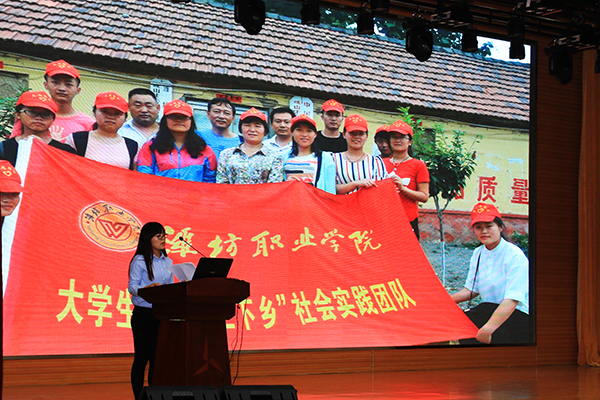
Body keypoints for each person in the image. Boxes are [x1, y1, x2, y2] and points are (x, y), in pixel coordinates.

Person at [451, 203, 529, 344]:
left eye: (489, 226)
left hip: (515, 315)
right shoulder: (478, 253)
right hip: (489, 309)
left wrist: (488, 329)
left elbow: (512, 299)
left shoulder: (514, 255)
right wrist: (444, 301)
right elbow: (471, 290)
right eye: (479, 227)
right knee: (463, 325)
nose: (484, 231)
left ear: (500, 227)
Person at [128, 222, 174, 400]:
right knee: (142, 358)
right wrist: (147, 289)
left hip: (161, 315)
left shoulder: (168, 261)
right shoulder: (139, 261)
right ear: (148, 239)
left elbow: (169, 287)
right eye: (158, 236)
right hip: (144, 315)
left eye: (164, 236)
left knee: (157, 358)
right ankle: (138, 396)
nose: (163, 240)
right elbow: (132, 287)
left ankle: (154, 395)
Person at [11, 60, 95, 141]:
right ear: (46, 85)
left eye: (68, 84)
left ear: (78, 90)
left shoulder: (88, 123)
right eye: (55, 82)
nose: (62, 88)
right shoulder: (30, 118)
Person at [137, 99, 217, 182]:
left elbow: (210, 180)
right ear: (165, 120)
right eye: (174, 117)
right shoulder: (151, 147)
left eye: (184, 117)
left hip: (195, 191)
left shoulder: (204, 149)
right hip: (160, 190)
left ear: (191, 121)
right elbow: (145, 177)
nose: (179, 120)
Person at [65, 92, 138, 170]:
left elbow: (135, 174)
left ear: (125, 118)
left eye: (117, 113)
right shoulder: (76, 139)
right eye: (105, 111)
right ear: (94, 113)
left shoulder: (132, 146)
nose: (110, 117)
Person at [0, 91, 76, 166]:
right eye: (32, 112)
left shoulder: (65, 151)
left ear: (53, 119)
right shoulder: (4, 149)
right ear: (18, 115)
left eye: (45, 114)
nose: (38, 118)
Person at [382, 120, 430, 239]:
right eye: (394, 137)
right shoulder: (381, 163)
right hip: (383, 220)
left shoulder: (418, 165)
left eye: (402, 137)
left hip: (407, 220)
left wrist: (402, 188)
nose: (397, 140)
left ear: (410, 142)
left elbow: (424, 196)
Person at [217, 107, 284, 184]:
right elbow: (221, 184)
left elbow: (275, 186)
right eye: (247, 125)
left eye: (257, 126)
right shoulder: (226, 155)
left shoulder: (274, 157)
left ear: (265, 131)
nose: (252, 130)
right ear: (240, 129)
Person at [333, 114, 386, 194]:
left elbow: (381, 189)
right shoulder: (333, 159)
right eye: (352, 133)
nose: (357, 137)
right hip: (341, 201)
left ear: (366, 136)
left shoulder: (376, 162)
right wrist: (355, 184)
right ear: (344, 134)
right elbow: (329, 188)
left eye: (361, 134)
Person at [283, 114, 336, 194]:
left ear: (315, 134)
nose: (304, 134)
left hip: (315, 200)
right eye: (299, 130)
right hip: (289, 199)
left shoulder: (325, 158)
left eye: (309, 131)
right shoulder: (283, 156)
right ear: (292, 132)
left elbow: (330, 187)